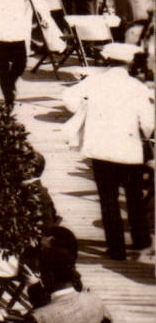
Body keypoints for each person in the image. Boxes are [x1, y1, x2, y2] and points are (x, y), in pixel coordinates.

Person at [62, 43, 154, 261]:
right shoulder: (137, 87)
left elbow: (68, 98)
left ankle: (116, 248)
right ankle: (140, 240)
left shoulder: (93, 81)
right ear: (130, 62)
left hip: (100, 148)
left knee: (108, 198)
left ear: (107, 60)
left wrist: (85, 108)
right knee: (133, 196)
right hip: (129, 150)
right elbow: (148, 122)